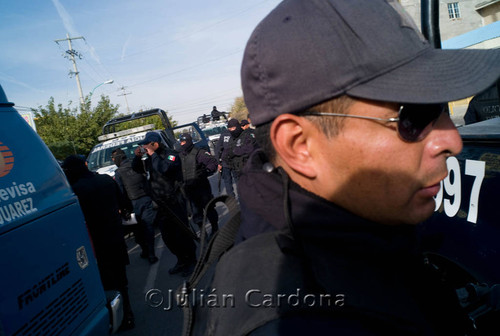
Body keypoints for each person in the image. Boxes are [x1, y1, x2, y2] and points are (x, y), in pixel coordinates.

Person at [191, 0, 500, 335]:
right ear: (301, 146)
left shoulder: (358, 236)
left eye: (440, 107)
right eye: (413, 116)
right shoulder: (301, 320)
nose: (451, 140)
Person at [61, 155, 135, 331]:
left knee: (107, 284)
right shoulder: (105, 180)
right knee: (121, 281)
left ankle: (116, 318)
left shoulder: (76, 190)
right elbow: (124, 203)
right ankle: (128, 315)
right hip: (116, 238)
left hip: (96, 245)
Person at [132, 132, 197, 277]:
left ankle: (191, 261)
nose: (144, 147)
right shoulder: (149, 159)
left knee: (182, 233)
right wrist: (137, 157)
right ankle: (181, 260)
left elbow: (164, 169)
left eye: (146, 145)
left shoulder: (170, 155)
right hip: (160, 204)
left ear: (155, 144)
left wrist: (153, 155)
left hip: (174, 201)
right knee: (168, 237)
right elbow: (137, 169)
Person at [112, 148, 159, 264]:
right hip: (145, 199)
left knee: (138, 230)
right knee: (148, 227)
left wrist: (122, 208)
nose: (113, 160)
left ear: (117, 158)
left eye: (113, 158)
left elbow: (120, 192)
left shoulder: (119, 173)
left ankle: (146, 250)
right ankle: (150, 253)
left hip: (132, 204)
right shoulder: (137, 164)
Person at [178, 133, 219, 234]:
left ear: (189, 142)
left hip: (202, 187)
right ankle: (202, 231)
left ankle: (215, 228)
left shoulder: (199, 153)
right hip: (189, 189)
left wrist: (206, 171)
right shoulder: (179, 155)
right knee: (196, 212)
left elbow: (212, 162)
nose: (182, 144)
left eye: (184, 142)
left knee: (209, 208)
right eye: (181, 142)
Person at [215, 125, 236, 197]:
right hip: (234, 161)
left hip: (225, 161)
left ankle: (232, 198)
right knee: (237, 179)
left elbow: (218, 149)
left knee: (227, 181)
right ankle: (241, 196)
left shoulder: (223, 134)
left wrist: (218, 162)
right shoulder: (237, 133)